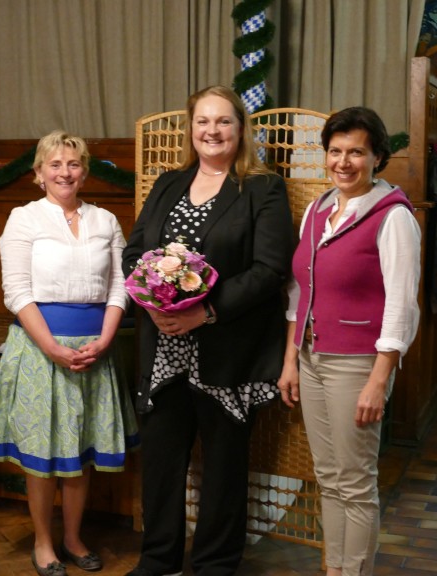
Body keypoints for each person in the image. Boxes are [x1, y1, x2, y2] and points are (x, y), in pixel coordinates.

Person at [122, 85, 294, 576]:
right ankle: (158, 560)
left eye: (223, 122)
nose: (212, 131)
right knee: (160, 462)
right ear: (190, 128)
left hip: (226, 348)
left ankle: (215, 565)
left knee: (222, 466)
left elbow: (268, 269)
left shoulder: (262, 187)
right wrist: (152, 303)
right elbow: (134, 255)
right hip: (163, 348)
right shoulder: (167, 184)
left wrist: (206, 313)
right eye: (203, 121)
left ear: (241, 129)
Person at [0, 130, 139, 576]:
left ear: (84, 172)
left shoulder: (105, 220)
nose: (64, 172)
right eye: (55, 164)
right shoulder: (24, 219)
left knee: (79, 454)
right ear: (38, 174)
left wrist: (105, 340)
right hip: (38, 349)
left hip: (95, 348)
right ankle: (44, 542)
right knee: (43, 456)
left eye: (73, 164)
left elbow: (119, 287)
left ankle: (72, 537)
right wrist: (50, 347)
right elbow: (16, 291)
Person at [277, 107, 421, 576]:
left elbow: (401, 304)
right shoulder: (318, 211)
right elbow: (299, 291)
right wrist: (290, 360)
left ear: (377, 156)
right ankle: (335, 570)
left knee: (356, 484)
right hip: (312, 356)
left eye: (356, 152)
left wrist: (380, 379)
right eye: (335, 151)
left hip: (358, 364)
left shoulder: (393, 216)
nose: (344, 162)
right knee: (328, 478)